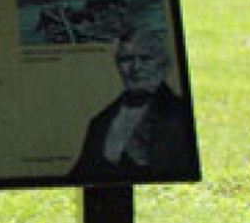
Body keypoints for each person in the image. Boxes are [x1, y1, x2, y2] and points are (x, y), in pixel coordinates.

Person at [70, 27, 197, 180]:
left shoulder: (180, 114)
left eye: (146, 59)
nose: (135, 68)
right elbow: (80, 174)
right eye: (126, 59)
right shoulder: (100, 122)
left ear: (164, 65)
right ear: (117, 65)